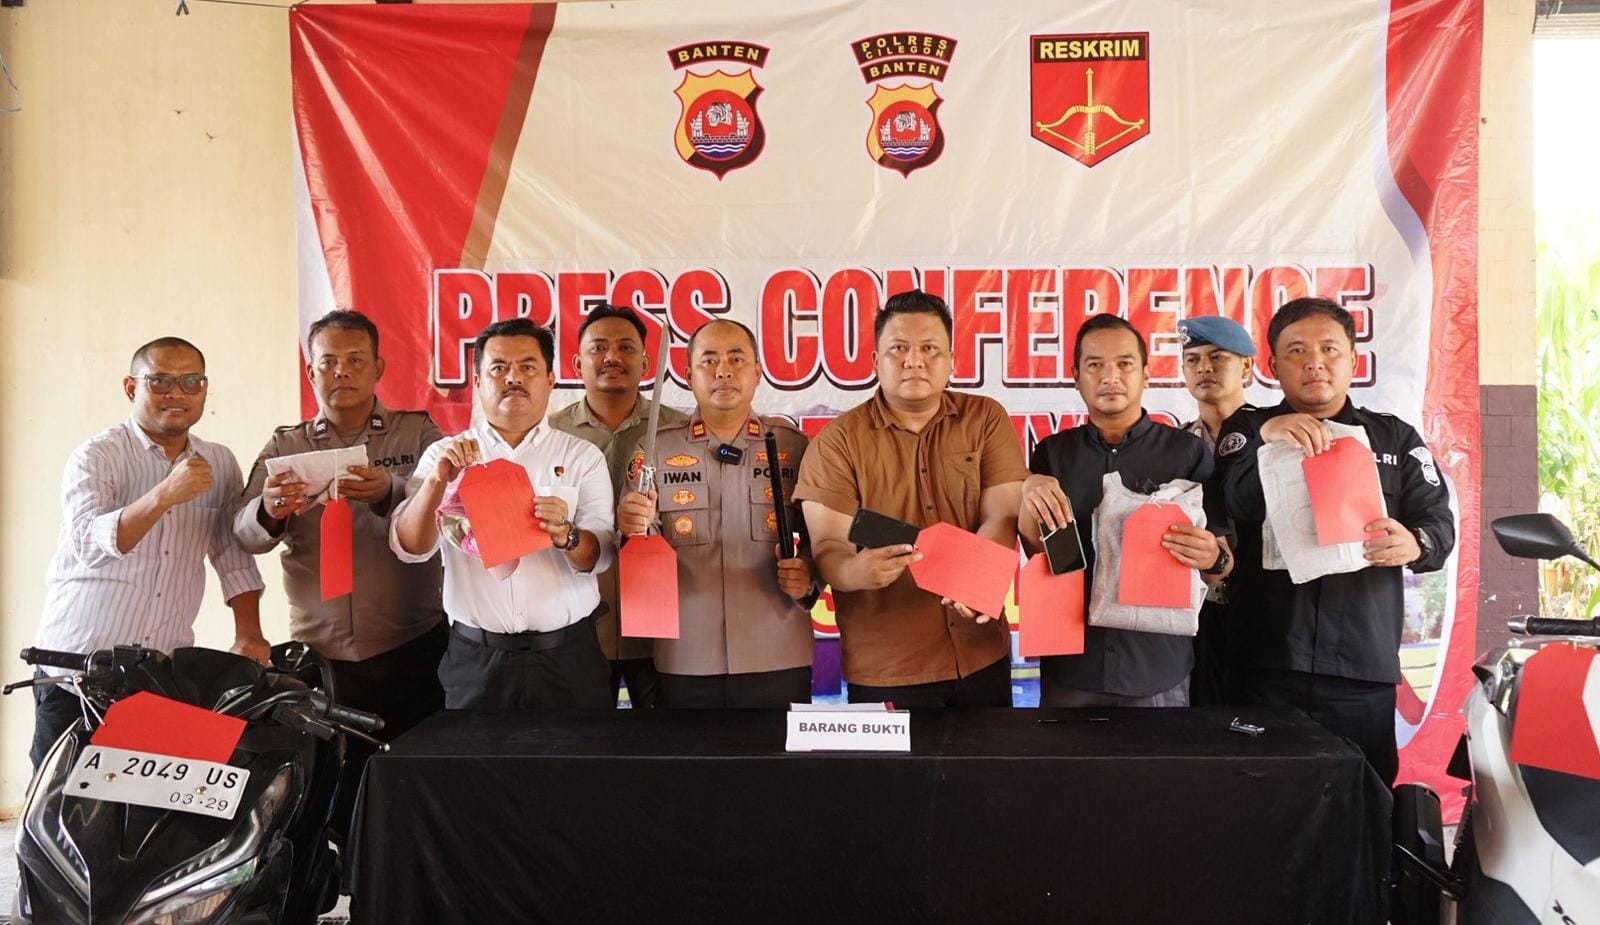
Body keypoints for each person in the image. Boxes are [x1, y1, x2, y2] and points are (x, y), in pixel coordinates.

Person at [1216, 297, 1455, 785]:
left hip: (1360, 667)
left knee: (1362, 798)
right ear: (1272, 366)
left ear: (1353, 360)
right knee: (1258, 800)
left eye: (1329, 349)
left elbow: (1438, 522)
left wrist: (1416, 542)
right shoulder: (1246, 429)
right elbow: (1230, 500)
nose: (1314, 363)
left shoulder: (1394, 438)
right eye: (1297, 351)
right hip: (1266, 663)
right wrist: (1269, 435)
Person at [234, 310, 445, 834]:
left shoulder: (417, 433)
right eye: (328, 362)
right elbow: (243, 533)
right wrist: (270, 509)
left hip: (412, 644)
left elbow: (448, 509)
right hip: (321, 653)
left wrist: (392, 491)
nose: (342, 371)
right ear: (311, 373)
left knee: (415, 787)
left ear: (379, 368)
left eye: (355, 360)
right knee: (328, 792)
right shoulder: (286, 446)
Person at [31, 337, 266, 768]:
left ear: (204, 390)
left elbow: (232, 554)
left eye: (191, 382)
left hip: (158, 675)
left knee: (147, 805)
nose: (176, 393)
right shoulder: (98, 455)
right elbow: (87, 543)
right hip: (77, 673)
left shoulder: (219, 462)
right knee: (62, 802)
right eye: (160, 381)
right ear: (131, 387)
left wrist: (248, 632)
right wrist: (164, 494)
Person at [794, 290, 1027, 708]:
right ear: (875, 361)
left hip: (981, 654)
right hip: (885, 665)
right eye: (898, 348)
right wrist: (854, 571)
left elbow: (1002, 514)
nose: (914, 361)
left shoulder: (985, 419)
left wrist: (977, 582)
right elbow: (827, 545)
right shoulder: (837, 443)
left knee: (990, 755)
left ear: (952, 360)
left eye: (929, 348)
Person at [391, 318, 615, 709]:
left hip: (567, 658)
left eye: (527, 367)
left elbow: (602, 555)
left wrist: (567, 535)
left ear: (550, 380)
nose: (513, 378)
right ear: (478, 382)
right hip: (476, 661)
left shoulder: (582, 457)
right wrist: (439, 482)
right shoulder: (444, 455)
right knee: (475, 754)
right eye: (498, 368)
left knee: (579, 752)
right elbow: (409, 548)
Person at [1021, 314, 1231, 708]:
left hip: (1157, 668)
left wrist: (1211, 557)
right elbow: (1040, 553)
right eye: (1094, 364)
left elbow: (1221, 562)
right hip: (1072, 667)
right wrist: (1025, 488)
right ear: (1076, 376)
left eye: (1124, 363)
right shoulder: (1053, 454)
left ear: (1146, 374)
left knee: (1159, 754)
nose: (1110, 376)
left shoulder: (1186, 452)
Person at [616, 319, 815, 708]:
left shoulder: (793, 448)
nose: (723, 371)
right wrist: (631, 528)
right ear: (688, 375)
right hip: (686, 655)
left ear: (757, 372)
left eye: (736, 359)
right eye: (709, 361)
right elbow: (637, 544)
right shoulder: (655, 449)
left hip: (778, 652)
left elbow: (822, 538)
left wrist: (808, 576)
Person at [549, 304, 688, 707]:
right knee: (586, 740)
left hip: (658, 622)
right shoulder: (551, 434)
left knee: (661, 737)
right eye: (598, 348)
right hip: (578, 624)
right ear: (577, 363)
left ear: (645, 363)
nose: (612, 357)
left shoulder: (677, 431)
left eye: (626, 347)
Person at [1175, 315, 1257, 705]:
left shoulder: (1276, 436)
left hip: (1262, 608)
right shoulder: (1172, 448)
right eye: (1192, 359)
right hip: (1196, 613)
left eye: (1217, 356)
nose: (1203, 367)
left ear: (1247, 367)